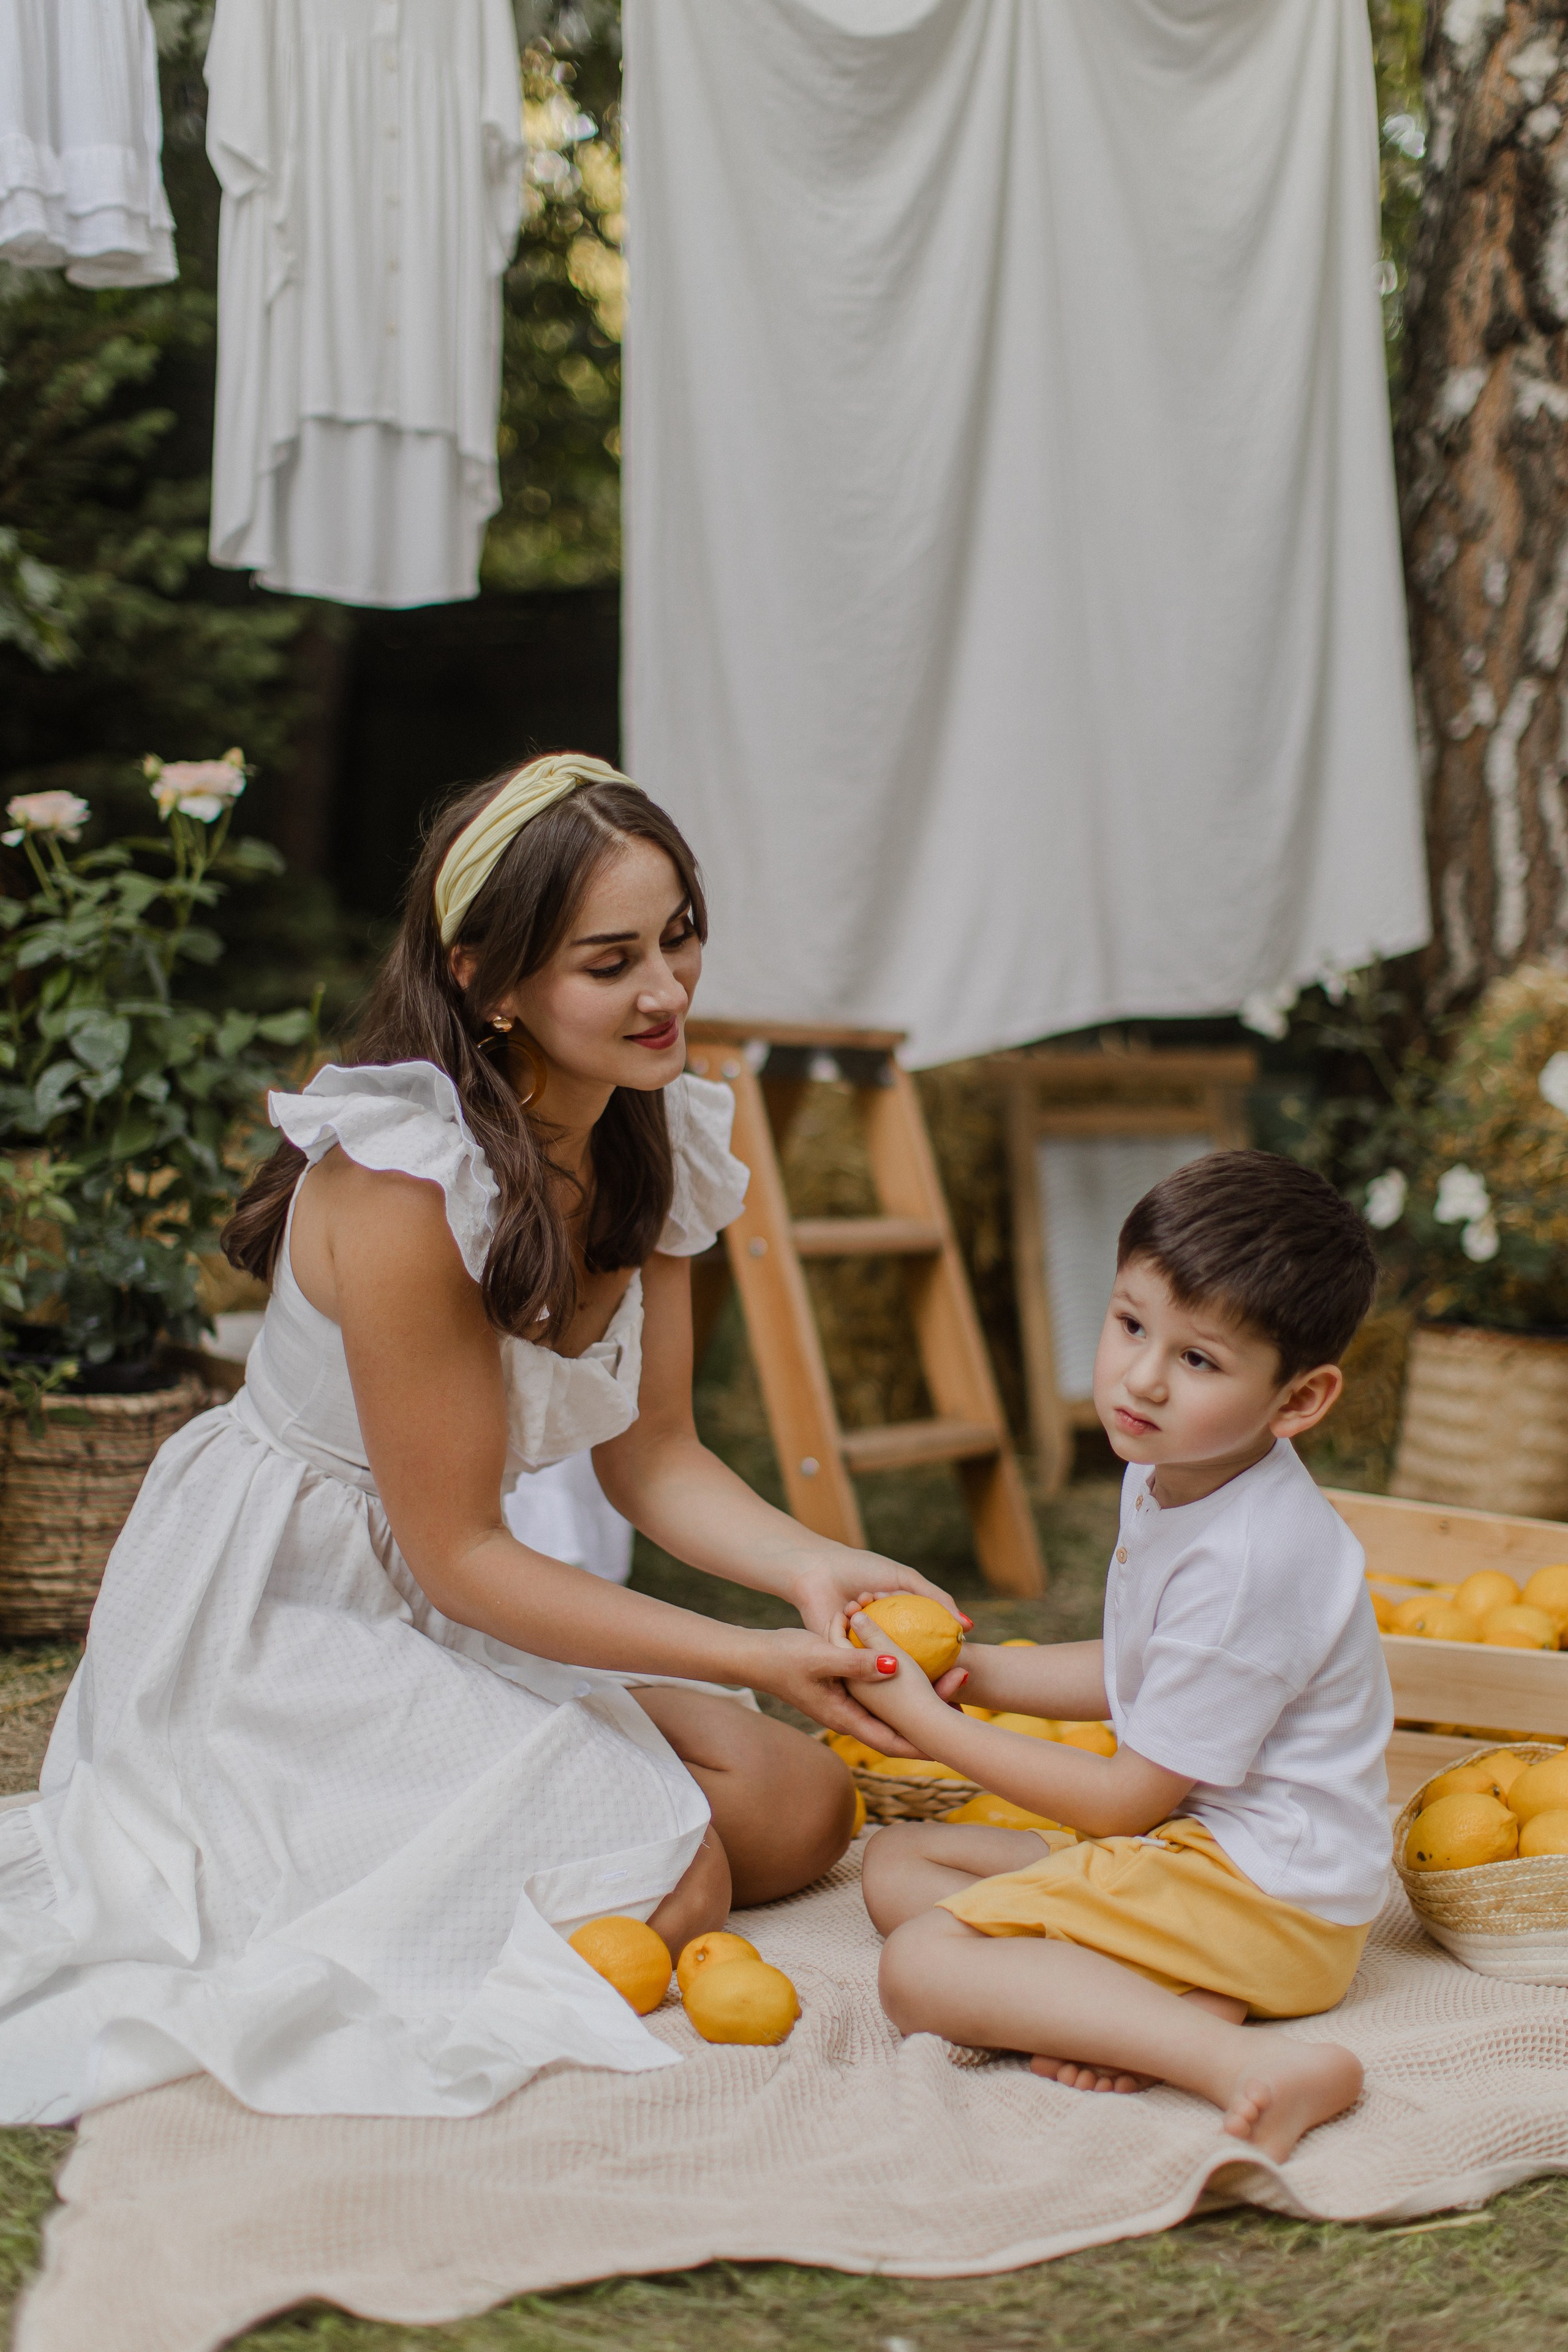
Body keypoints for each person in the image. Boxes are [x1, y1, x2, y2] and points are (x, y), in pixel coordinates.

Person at [0, 753, 959, 2125]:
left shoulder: (654, 1133)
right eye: (610, 960)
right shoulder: (404, 1182)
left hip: (449, 1591)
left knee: (797, 1802)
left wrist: (816, 1573)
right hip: (288, 1612)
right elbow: (456, 1552)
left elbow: (654, 1455)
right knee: (667, 1870)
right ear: (487, 977)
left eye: (679, 937)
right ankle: (366, 1843)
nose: (665, 992)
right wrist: (748, 1653)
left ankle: (490, 1833)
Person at [849, 1152, 1391, 2164]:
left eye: (1199, 1360)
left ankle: (1242, 2066)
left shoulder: (1250, 1559)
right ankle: (1151, 2002)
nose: (1141, 1377)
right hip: (1205, 1861)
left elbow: (1120, 1802)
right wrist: (979, 1670)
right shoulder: (1179, 1465)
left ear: (1301, 1399)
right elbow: (1139, 1670)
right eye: (1132, 1324)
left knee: (921, 1965)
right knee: (899, 1862)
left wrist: (937, 1729)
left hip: (1270, 1895)